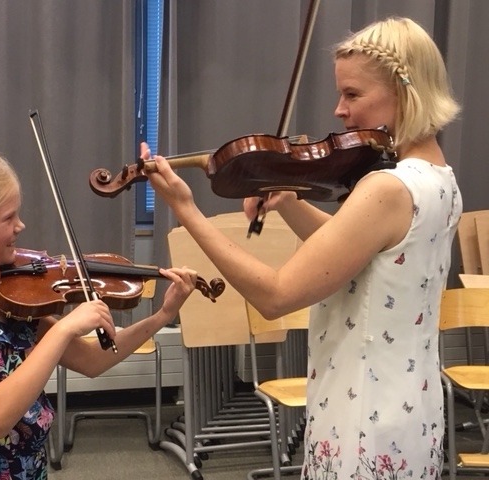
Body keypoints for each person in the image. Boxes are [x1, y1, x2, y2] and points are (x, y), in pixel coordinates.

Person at [144, 17, 461, 479]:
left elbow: (275, 295)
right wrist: (291, 202)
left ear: (404, 92)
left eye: (352, 94)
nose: (339, 110)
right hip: (409, 407)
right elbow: (358, 256)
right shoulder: (440, 179)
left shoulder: (386, 188)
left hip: (362, 416)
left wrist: (186, 210)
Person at [0, 145, 198, 479]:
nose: (20, 225)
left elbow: (92, 361)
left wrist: (162, 316)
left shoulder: (4, 294)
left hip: (29, 469)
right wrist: (64, 329)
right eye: (8, 218)